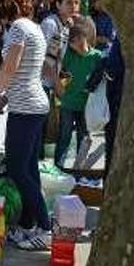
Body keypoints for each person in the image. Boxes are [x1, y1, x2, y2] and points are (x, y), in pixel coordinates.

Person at [0, 0, 52, 250]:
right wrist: (1, 97)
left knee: (18, 169)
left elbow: (9, 69)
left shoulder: (18, 29)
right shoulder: (33, 27)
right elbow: (25, 72)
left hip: (25, 108)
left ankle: (45, 228)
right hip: (33, 105)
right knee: (29, 169)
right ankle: (27, 225)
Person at [54, 16, 103, 169]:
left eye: (77, 41)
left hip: (86, 106)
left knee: (84, 139)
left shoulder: (97, 57)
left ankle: (80, 169)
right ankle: (58, 167)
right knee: (64, 137)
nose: (75, 46)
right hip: (68, 103)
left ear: (85, 37)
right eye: (72, 43)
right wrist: (60, 93)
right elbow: (62, 75)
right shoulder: (69, 55)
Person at [87, 0, 125, 177]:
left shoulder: (121, 35)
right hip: (121, 99)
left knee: (113, 151)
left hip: (117, 99)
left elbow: (113, 67)